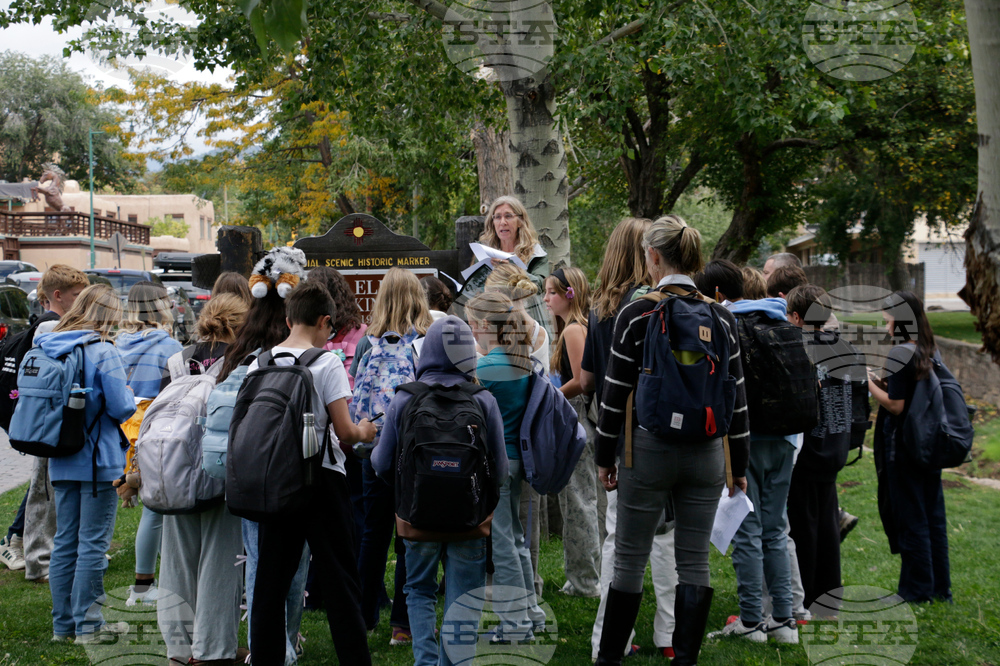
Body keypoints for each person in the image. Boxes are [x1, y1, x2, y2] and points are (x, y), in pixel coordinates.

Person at [594, 215, 750, 666]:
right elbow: (736, 400)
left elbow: (614, 395)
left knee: (629, 560)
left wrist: (606, 457)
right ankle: (685, 661)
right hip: (705, 455)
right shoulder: (721, 317)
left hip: (647, 451)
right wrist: (736, 467)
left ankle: (609, 662)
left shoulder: (637, 312)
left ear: (655, 257)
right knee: (693, 562)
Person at [247, 282, 377, 664]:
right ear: (325, 321)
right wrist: (367, 429)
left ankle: (266, 658)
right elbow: (345, 433)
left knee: (270, 583)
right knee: (340, 580)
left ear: (288, 319)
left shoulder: (261, 362)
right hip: (322, 480)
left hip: (275, 480)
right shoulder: (326, 363)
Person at [371, 315, 509, 666]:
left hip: (417, 517)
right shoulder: (483, 400)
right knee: (464, 597)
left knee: (418, 590)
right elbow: (502, 470)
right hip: (470, 520)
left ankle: (425, 662)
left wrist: (405, 491)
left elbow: (381, 463)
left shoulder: (405, 399)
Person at [582, 217, 678, 660]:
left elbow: (586, 378)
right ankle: (668, 633)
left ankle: (610, 637)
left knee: (617, 537)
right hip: (653, 427)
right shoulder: (658, 306)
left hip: (612, 422)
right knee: (662, 536)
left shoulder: (599, 307)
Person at [714, 269, 811, 644]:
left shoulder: (731, 323)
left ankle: (752, 620)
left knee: (747, 531)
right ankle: (784, 621)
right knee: (776, 529)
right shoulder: (784, 320)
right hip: (787, 438)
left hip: (748, 438)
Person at [157, 294, 248, 666]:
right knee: (220, 564)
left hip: (174, 470)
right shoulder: (242, 361)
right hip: (220, 470)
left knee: (176, 563)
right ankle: (213, 649)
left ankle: (179, 649)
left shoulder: (176, 360)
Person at [44, 285, 137, 643]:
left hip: (61, 456)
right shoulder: (102, 351)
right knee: (93, 544)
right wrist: (128, 392)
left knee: (65, 541)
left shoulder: (51, 345)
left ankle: (62, 626)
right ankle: (89, 626)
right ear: (109, 315)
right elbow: (121, 407)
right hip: (98, 460)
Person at [219, 287, 306, 664]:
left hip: (248, 467)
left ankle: (265, 647)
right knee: (295, 562)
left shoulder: (243, 356)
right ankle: (284, 641)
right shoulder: (297, 357)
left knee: (257, 562)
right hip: (290, 470)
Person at [350, 267, 431, 643]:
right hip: (413, 452)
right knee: (408, 537)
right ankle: (402, 624)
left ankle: (363, 617)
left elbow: (355, 386)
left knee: (372, 534)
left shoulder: (369, 341)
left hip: (372, 448)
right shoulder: (426, 341)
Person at [466, 290, 548, 642]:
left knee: (500, 544)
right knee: (514, 539)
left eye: (472, 327)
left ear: (485, 325)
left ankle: (515, 625)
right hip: (518, 459)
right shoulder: (521, 360)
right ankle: (532, 613)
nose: (471, 334)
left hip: (497, 464)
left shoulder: (485, 367)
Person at [0, 264, 89, 581]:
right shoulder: (52, 329)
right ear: (57, 295)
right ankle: (27, 548)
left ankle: (39, 546)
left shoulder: (42, 326)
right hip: (44, 419)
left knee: (46, 486)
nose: (82, 301)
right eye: (78, 296)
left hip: (33, 417)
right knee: (45, 489)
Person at [869, 291, 951, 603]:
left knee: (911, 518)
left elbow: (896, 406)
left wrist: (869, 383)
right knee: (933, 517)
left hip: (904, 447)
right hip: (929, 445)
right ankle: (940, 587)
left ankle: (917, 591)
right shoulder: (929, 349)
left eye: (888, 315)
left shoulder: (899, 353)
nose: (885, 321)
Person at [784, 285, 861, 612]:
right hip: (836, 448)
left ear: (797, 317)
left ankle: (810, 595)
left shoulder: (801, 350)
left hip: (808, 450)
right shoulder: (842, 347)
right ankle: (829, 595)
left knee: (804, 529)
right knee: (828, 527)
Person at [116, 281, 184, 606]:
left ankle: (146, 583)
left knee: (151, 511)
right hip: (156, 430)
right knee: (157, 510)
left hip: (123, 432)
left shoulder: (116, 342)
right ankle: (144, 586)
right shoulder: (169, 346)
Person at [304, 266, 367, 607]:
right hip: (350, 436)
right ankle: (346, 584)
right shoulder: (362, 334)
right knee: (352, 517)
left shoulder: (311, 339)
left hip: (319, 440)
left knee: (317, 521)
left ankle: (315, 589)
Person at [542, 267, 601, 598]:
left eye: (551, 292)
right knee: (581, 498)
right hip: (576, 419)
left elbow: (582, 381)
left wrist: (549, 394)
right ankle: (584, 574)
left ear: (569, 294)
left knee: (578, 500)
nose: (546, 299)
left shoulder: (574, 331)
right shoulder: (573, 329)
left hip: (576, 419)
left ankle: (584, 581)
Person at [478, 195, 549, 289]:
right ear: (492, 222)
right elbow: (474, 290)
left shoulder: (535, 252)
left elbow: (541, 286)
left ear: (520, 221)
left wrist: (513, 270)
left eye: (508, 216)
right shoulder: (484, 251)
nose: (503, 222)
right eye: (498, 217)